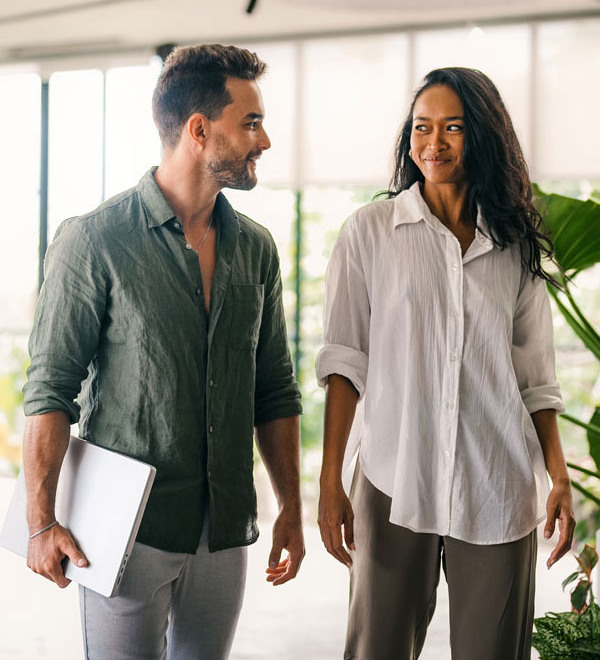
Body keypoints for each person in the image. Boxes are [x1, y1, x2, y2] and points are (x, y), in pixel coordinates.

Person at [22, 44, 304, 660]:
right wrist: (40, 521)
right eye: (251, 123)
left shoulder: (256, 249)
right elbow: (50, 387)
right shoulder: (94, 240)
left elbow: (274, 387)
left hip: (223, 526)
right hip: (124, 529)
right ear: (200, 131)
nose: (264, 141)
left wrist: (290, 505)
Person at [317, 67, 575, 660]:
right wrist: (330, 480)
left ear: (482, 135)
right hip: (393, 473)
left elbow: (536, 379)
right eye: (422, 127)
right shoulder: (370, 233)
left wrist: (558, 475)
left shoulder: (515, 246)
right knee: (376, 649)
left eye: (453, 127)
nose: (434, 142)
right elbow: (344, 363)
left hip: (496, 481)